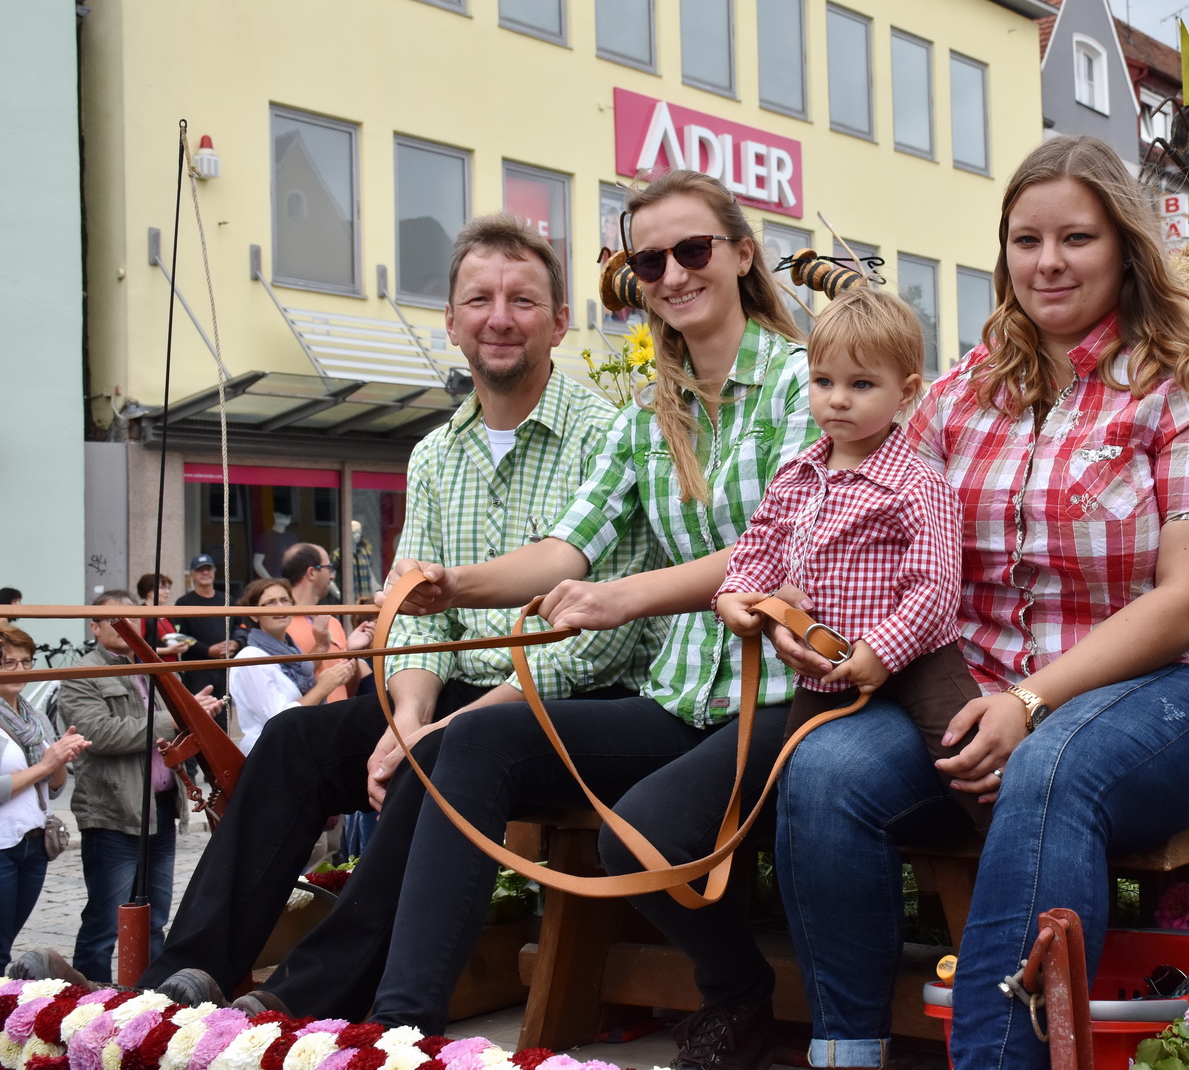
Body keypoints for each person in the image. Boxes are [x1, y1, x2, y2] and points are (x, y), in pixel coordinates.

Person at [771, 136, 1189, 1070]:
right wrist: (794, 585)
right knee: (826, 771)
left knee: (1052, 765)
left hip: (1177, 695)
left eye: (1075, 237)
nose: (1047, 261)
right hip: (982, 693)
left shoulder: (1187, 384)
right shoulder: (963, 389)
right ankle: (846, 1054)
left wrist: (1032, 701)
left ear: (1124, 244)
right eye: (1025, 238)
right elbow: (865, 510)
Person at [107, 213, 663, 1019]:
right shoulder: (435, 453)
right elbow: (416, 615)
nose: (498, 317)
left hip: (572, 700)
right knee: (298, 739)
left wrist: (430, 735)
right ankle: (188, 975)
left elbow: (596, 638)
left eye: (522, 300)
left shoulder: (604, 436)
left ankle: (301, 1000)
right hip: (457, 698)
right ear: (450, 321)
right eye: (478, 298)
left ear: (560, 321)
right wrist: (407, 715)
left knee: (451, 750)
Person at [368, 168, 815, 1065]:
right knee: (475, 740)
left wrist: (619, 597)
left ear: (738, 253)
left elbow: (783, 549)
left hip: (788, 688)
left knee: (632, 837)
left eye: (693, 250)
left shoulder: (796, 379)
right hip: (685, 693)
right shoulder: (653, 409)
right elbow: (566, 549)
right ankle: (400, 1025)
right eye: (651, 262)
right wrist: (453, 585)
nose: (674, 273)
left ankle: (739, 994)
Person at [713, 284, 985, 831]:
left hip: (920, 661)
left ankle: (1007, 861)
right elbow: (761, 541)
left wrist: (883, 650)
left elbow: (934, 588)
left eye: (862, 384)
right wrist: (735, 592)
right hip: (824, 662)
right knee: (798, 782)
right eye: (823, 381)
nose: (837, 399)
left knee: (973, 768)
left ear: (905, 392)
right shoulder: (796, 475)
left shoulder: (917, 484)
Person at [56, 590, 225, 982]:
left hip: (161, 806)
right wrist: (177, 719)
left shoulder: (151, 665)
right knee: (105, 921)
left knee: (155, 916)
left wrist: (193, 711)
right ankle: (88, 1000)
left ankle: (149, 998)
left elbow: (172, 726)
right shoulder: (82, 673)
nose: (123, 627)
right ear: (93, 627)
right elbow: (101, 733)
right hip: (115, 810)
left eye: (130, 619)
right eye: (112, 620)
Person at [0, 624, 90, 965]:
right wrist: (46, 764)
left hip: (34, 842)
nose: (20, 670)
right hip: (2, 844)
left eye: (26, 662)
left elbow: (53, 789)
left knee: (7, 939)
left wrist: (61, 759)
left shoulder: (33, 716)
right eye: (9, 662)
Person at [227, 578, 354, 752]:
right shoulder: (250, 658)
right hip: (273, 758)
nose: (280, 607)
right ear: (253, 614)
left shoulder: (291, 653)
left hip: (300, 749)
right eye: (270, 603)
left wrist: (323, 647)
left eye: (284, 600)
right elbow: (278, 720)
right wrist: (322, 688)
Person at [280, 543, 373, 699]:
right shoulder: (281, 623)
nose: (332, 576)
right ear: (311, 573)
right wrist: (319, 648)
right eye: (329, 568)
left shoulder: (332, 622)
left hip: (340, 719)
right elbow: (286, 690)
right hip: (308, 720)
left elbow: (348, 690)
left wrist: (352, 653)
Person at [174, 555, 239, 697]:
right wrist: (207, 651)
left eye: (208, 569)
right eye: (200, 570)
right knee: (199, 715)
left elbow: (240, 627)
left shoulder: (227, 599)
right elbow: (180, 637)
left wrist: (236, 643)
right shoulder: (183, 603)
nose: (205, 573)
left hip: (225, 669)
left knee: (224, 715)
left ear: (214, 571)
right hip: (197, 671)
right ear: (192, 575)